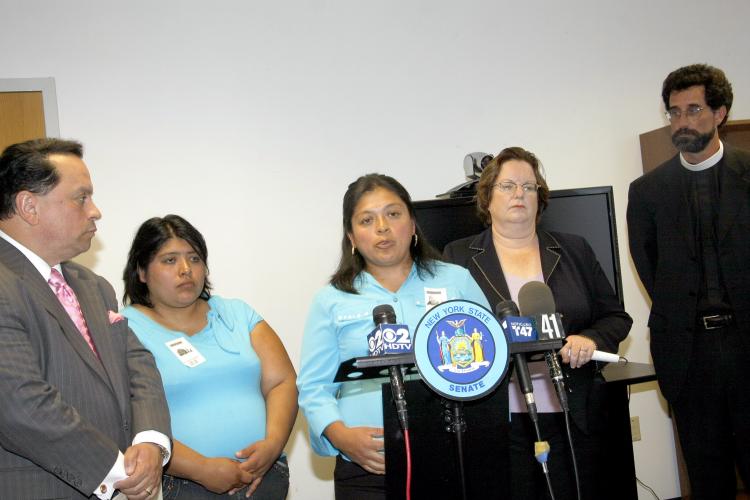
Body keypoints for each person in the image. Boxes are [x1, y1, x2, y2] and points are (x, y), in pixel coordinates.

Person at [444, 146, 632, 500]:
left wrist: (589, 340)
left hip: (571, 412)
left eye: (529, 187)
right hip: (499, 417)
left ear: (540, 198)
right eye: (508, 186)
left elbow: (616, 317)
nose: (520, 194)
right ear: (487, 198)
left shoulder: (574, 249)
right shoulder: (458, 257)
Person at [297, 173, 490, 499]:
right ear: (352, 236)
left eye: (393, 214)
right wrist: (342, 437)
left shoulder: (457, 281)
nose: (382, 227)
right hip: (368, 465)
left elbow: (491, 362)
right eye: (367, 220)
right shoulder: (331, 299)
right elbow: (314, 387)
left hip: (450, 453)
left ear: (413, 224)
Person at [0, 138, 171, 500]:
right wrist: (118, 470)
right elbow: (18, 403)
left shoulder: (93, 286)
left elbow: (139, 366)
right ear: (29, 206)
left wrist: (151, 440)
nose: (95, 211)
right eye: (82, 198)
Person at [628, 63, 750, 499]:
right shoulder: (647, 193)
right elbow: (652, 271)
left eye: (693, 110)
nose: (681, 122)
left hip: (747, 346)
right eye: (673, 112)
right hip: (689, 355)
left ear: (720, 113)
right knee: (707, 478)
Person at [121, 214, 297, 499]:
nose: (185, 270)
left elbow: (282, 382)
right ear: (141, 272)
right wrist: (201, 469)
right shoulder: (123, 329)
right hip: (184, 486)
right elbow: (125, 418)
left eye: (194, 258)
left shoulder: (238, 314)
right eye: (169, 260)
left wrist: (273, 444)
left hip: (263, 476)